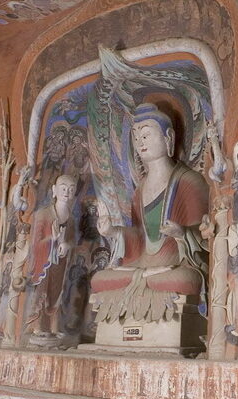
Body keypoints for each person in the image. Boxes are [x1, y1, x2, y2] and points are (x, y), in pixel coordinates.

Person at [90, 104, 210, 324]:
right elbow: (138, 238)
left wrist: (182, 232)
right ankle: (144, 278)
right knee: (98, 279)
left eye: (146, 134)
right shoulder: (139, 191)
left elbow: (204, 234)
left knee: (184, 279)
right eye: (136, 137)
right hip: (145, 264)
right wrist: (113, 231)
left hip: (176, 264)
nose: (140, 142)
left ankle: (146, 279)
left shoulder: (190, 181)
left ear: (168, 137)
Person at [27, 175, 76, 339]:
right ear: (54, 191)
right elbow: (35, 243)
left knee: (57, 293)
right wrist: (53, 241)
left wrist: (67, 245)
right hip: (44, 261)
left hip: (60, 262)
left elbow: (72, 241)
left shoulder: (71, 220)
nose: (67, 193)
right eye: (63, 188)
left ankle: (53, 327)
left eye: (71, 189)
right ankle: (37, 325)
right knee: (42, 291)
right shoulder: (43, 214)